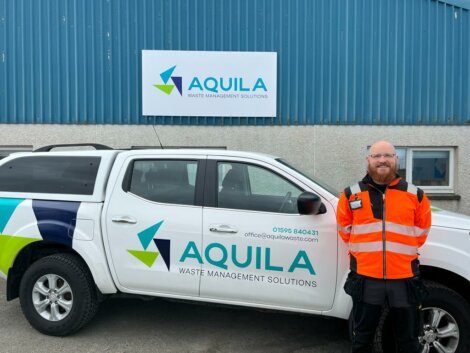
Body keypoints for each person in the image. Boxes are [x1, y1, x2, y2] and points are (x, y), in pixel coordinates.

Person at [337, 140, 432, 353]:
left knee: (408, 341)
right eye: (377, 156)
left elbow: (422, 232)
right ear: (368, 160)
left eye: (388, 155)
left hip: (404, 279)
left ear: (396, 160)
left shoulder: (415, 195)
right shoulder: (350, 194)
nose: (382, 160)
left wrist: (397, 253)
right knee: (362, 339)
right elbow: (344, 231)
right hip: (366, 278)